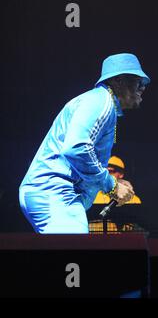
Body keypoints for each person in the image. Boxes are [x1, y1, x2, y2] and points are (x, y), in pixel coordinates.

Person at [19, 53, 150, 234]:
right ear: (119, 81)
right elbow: (77, 148)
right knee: (76, 256)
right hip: (56, 194)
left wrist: (113, 182)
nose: (143, 88)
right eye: (138, 82)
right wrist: (111, 186)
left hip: (55, 194)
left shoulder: (100, 102)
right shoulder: (101, 101)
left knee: (71, 257)